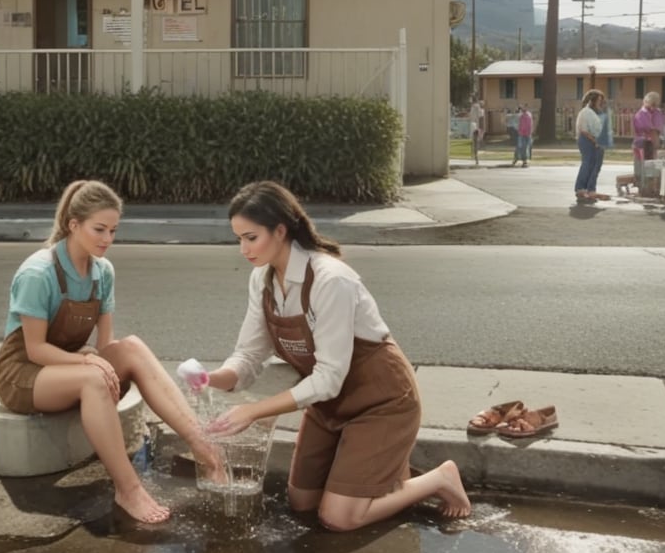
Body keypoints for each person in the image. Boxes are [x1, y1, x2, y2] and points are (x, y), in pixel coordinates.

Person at [201, 181, 472, 532]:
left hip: (381, 402)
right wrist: (214, 378)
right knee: (302, 504)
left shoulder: (331, 280)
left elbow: (328, 378)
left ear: (280, 231)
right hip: (329, 406)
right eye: (239, 238)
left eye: (251, 237)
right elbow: (249, 355)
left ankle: (439, 479)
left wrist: (253, 411)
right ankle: (385, 479)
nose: (243, 249)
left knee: (337, 518)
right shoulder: (262, 280)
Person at [0, 179, 223, 525]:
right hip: (24, 375)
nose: (107, 239)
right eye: (99, 229)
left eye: (113, 230)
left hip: (71, 367)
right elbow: (36, 350)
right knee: (93, 378)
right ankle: (128, 489)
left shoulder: (103, 272)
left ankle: (202, 448)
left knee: (131, 348)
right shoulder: (38, 272)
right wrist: (88, 361)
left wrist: (94, 359)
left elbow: (106, 347)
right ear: (73, 224)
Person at [574, 89, 609, 202]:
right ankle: (580, 188)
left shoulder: (595, 113)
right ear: (592, 101)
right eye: (599, 100)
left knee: (596, 166)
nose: (600, 102)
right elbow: (584, 130)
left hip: (596, 141)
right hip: (587, 140)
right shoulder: (585, 112)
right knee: (588, 163)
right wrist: (595, 141)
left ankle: (591, 189)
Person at [632, 91, 665, 184]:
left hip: (650, 141)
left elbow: (657, 129)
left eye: (655, 104)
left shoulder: (657, 112)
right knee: (643, 164)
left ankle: (648, 183)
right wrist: (655, 140)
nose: (653, 107)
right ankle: (643, 183)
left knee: (650, 165)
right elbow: (651, 130)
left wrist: (656, 140)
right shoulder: (641, 114)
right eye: (652, 104)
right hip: (643, 142)